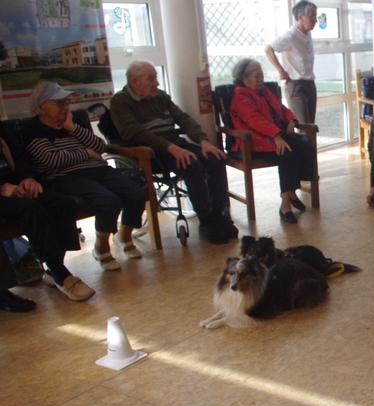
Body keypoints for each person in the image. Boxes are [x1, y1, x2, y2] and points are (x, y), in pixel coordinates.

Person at [23, 82, 146, 272]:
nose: (65, 107)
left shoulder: (72, 124)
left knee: (136, 194)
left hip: (98, 170)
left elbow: (99, 147)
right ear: (41, 108)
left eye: (65, 102)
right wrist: (86, 153)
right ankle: (101, 248)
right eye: (58, 103)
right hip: (66, 177)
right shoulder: (33, 129)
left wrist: (73, 128)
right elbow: (51, 160)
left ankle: (124, 235)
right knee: (108, 201)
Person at [110, 61, 234, 245]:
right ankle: (206, 221)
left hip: (175, 144)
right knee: (192, 165)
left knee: (215, 157)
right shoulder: (120, 101)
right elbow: (132, 131)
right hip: (152, 152)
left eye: (156, 78)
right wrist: (169, 147)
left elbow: (183, 118)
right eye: (151, 79)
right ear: (135, 82)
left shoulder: (160, 96)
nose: (157, 83)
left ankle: (218, 214)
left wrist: (203, 141)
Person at [0, 132, 95, 305]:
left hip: (17, 185)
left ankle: (54, 268)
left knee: (64, 204)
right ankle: (60, 273)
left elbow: (20, 157)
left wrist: (28, 178)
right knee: (31, 209)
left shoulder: (4, 131)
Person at [229, 59, 316, 224]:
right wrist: (276, 136)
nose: (260, 79)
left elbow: (283, 109)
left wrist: (291, 121)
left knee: (305, 146)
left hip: (278, 134)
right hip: (254, 140)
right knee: (287, 154)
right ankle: (285, 206)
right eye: (256, 76)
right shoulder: (240, 94)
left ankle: (292, 191)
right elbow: (253, 120)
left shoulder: (265, 91)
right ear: (244, 78)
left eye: (261, 75)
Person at [264, 1, 318, 124]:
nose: (315, 20)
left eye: (316, 16)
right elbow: (268, 49)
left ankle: (311, 144)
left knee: (311, 126)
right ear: (300, 17)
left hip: (310, 84)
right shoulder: (290, 36)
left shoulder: (307, 34)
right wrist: (281, 70)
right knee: (303, 126)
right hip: (296, 85)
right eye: (312, 16)